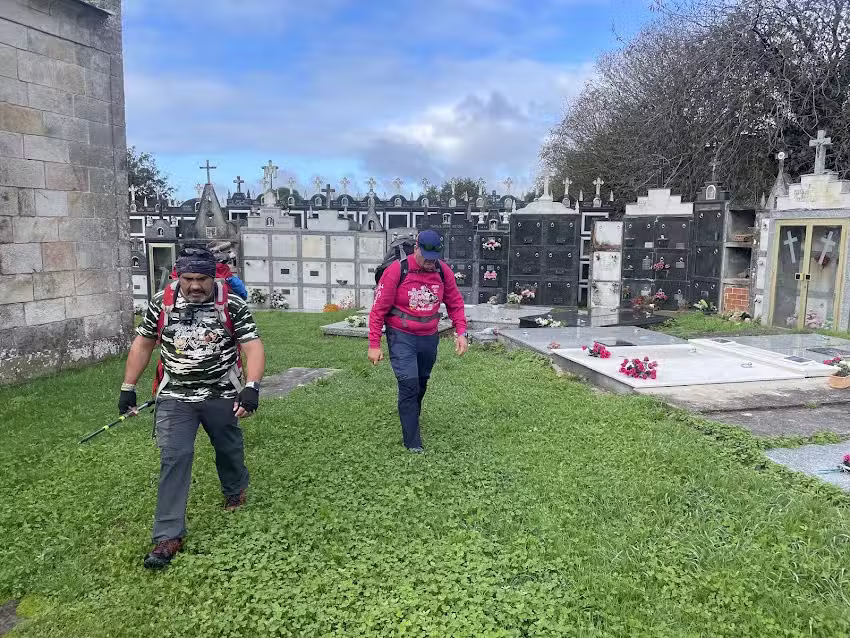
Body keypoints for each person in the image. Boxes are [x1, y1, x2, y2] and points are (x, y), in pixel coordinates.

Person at [119, 247, 266, 569]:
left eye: (202, 279)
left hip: (222, 393)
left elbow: (252, 345)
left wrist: (252, 387)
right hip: (175, 395)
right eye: (188, 279)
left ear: (213, 277)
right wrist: (127, 388)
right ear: (178, 276)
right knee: (175, 456)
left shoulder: (232, 305)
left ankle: (234, 488)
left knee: (228, 448)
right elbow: (143, 343)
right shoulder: (162, 303)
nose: (195, 286)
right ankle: (167, 535)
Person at [368, 229, 468, 452]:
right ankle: (412, 443)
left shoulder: (443, 272)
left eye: (435, 259)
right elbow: (378, 309)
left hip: (428, 337)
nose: (431, 264)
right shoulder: (397, 271)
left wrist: (461, 332)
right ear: (416, 249)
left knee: (421, 382)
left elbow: (455, 303)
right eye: (426, 259)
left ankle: (412, 414)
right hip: (401, 335)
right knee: (409, 384)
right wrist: (374, 344)